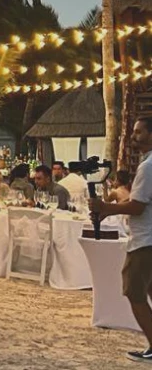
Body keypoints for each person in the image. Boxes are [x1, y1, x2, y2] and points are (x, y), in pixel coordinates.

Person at [89, 117, 152, 363]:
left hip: (145, 239)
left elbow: (137, 206)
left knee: (134, 292)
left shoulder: (148, 167)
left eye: (139, 132)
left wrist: (105, 207)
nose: (133, 136)